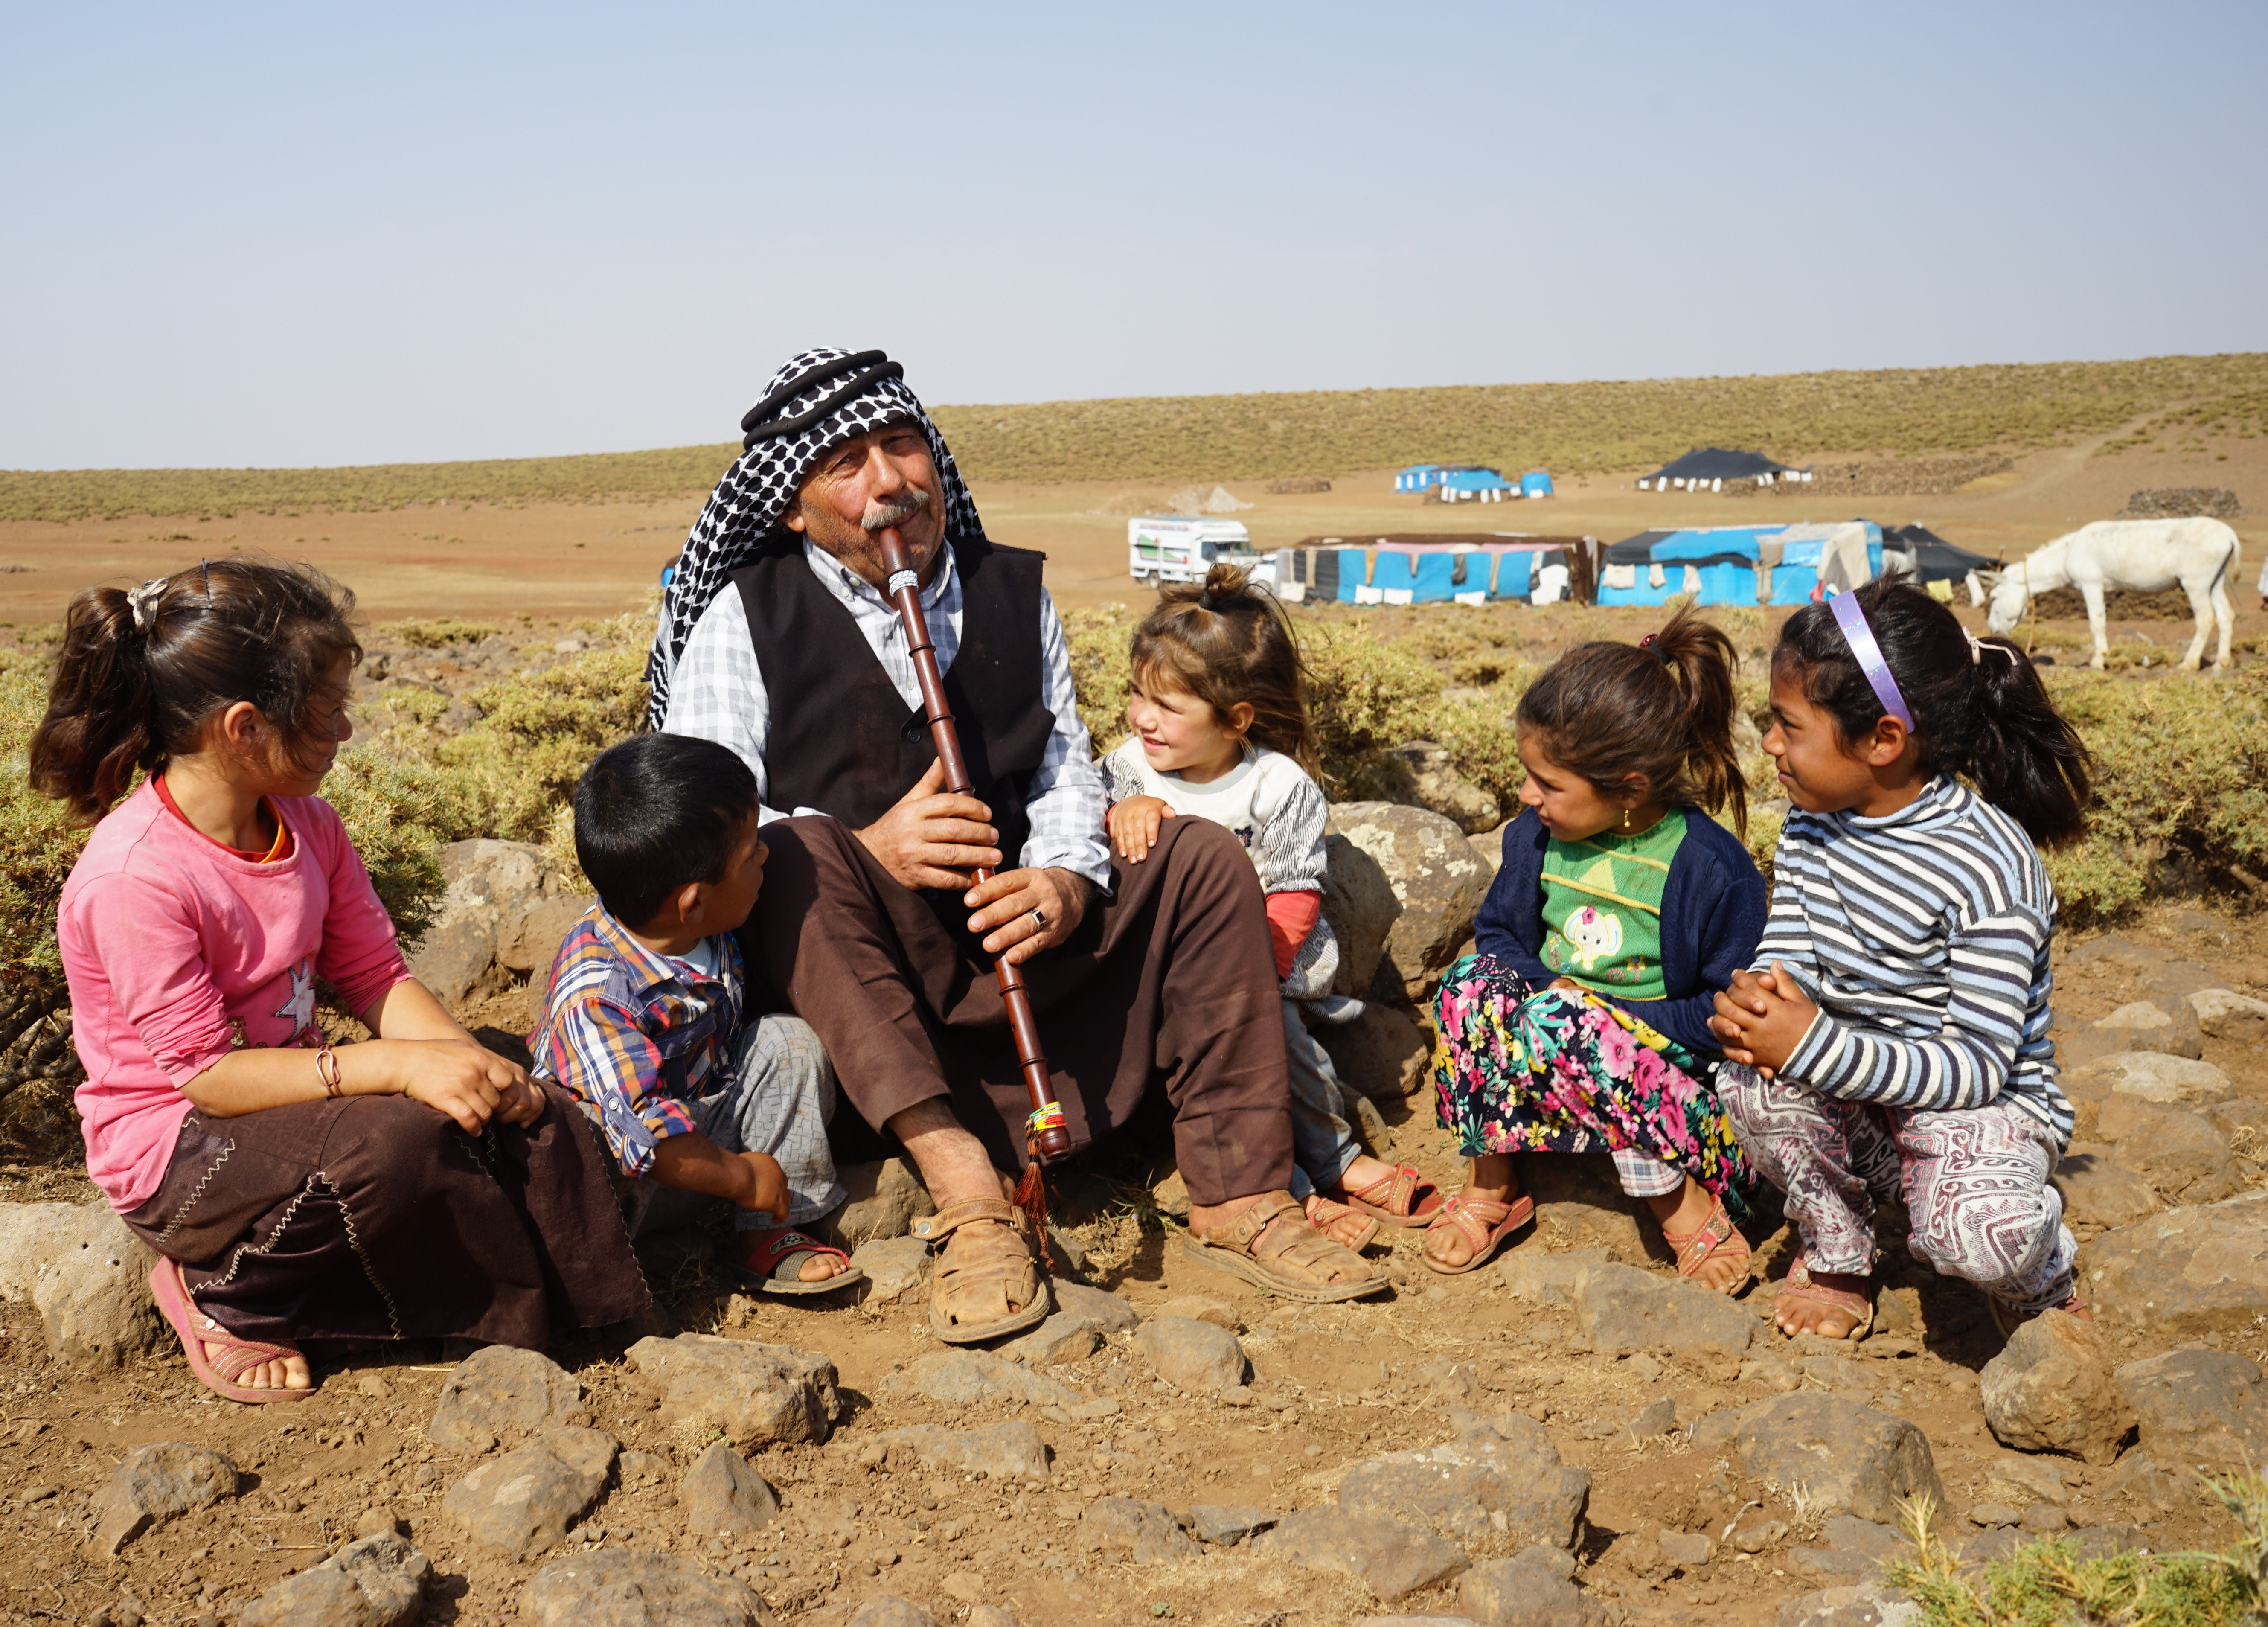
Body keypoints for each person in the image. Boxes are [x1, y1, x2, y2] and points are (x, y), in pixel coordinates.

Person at [653, 348, 1382, 1344]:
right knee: (799, 857)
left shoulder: (1008, 586)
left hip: (1029, 960)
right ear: (791, 504)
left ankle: (1236, 1188)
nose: (889, 483)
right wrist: (872, 847)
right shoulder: (747, 611)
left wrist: (1066, 880)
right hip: (870, 990)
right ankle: (967, 1191)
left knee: (1202, 857)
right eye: (847, 464)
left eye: (902, 445)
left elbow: (1064, 768)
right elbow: (704, 813)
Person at [33, 558, 647, 1404]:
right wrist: (397, 1067)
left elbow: (372, 974)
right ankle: (224, 1289)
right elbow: (208, 1076)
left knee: (518, 1087)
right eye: (326, 714)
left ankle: (572, 1299)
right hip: (183, 1148)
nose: (346, 731)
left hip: (294, 1113)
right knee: (394, 1143)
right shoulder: (136, 876)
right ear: (243, 727)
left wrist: (471, 1068)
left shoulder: (307, 824)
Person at [1710, 576, 2092, 1341]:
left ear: (1884, 740)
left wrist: (1810, 1042)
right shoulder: (1813, 821)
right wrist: (1764, 999)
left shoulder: (1987, 862)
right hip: (1865, 1097)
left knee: (1981, 1239)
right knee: (1750, 1084)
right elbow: (1794, 940)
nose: (1771, 743)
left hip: (1975, 1106)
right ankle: (1842, 1247)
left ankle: (2039, 1264)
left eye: (1789, 725)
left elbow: (1980, 1065)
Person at [1100, 563, 1442, 1252]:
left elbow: (1291, 893)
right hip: (1162, 975)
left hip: (1264, 970)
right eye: (1138, 694)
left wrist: (1253, 981)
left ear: (1237, 720)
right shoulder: (1126, 770)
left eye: (1167, 707)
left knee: (1285, 1052)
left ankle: (1331, 1163)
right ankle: (1300, 1188)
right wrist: (1122, 811)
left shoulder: (1276, 787)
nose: (1143, 717)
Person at [1424, 608, 1766, 1287]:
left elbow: (1730, 1017)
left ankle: (1686, 1205)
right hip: (1555, 1053)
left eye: (1549, 784)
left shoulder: (1710, 868)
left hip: (1679, 1107)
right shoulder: (1536, 838)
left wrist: (1601, 1015)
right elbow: (1498, 938)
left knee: (1569, 1022)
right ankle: (1493, 1180)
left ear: (1631, 789)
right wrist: (1554, 996)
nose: (1526, 796)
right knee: (1466, 984)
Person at [530, 733, 863, 1298]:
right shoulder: (597, 998)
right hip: (628, 1173)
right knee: (585, 1155)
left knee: (786, 1042)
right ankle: (611, 1268)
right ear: (694, 901)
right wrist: (743, 1176)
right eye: (750, 853)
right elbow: (647, 1139)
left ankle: (768, 1233)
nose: (765, 856)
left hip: (700, 1129)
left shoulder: (699, 926)